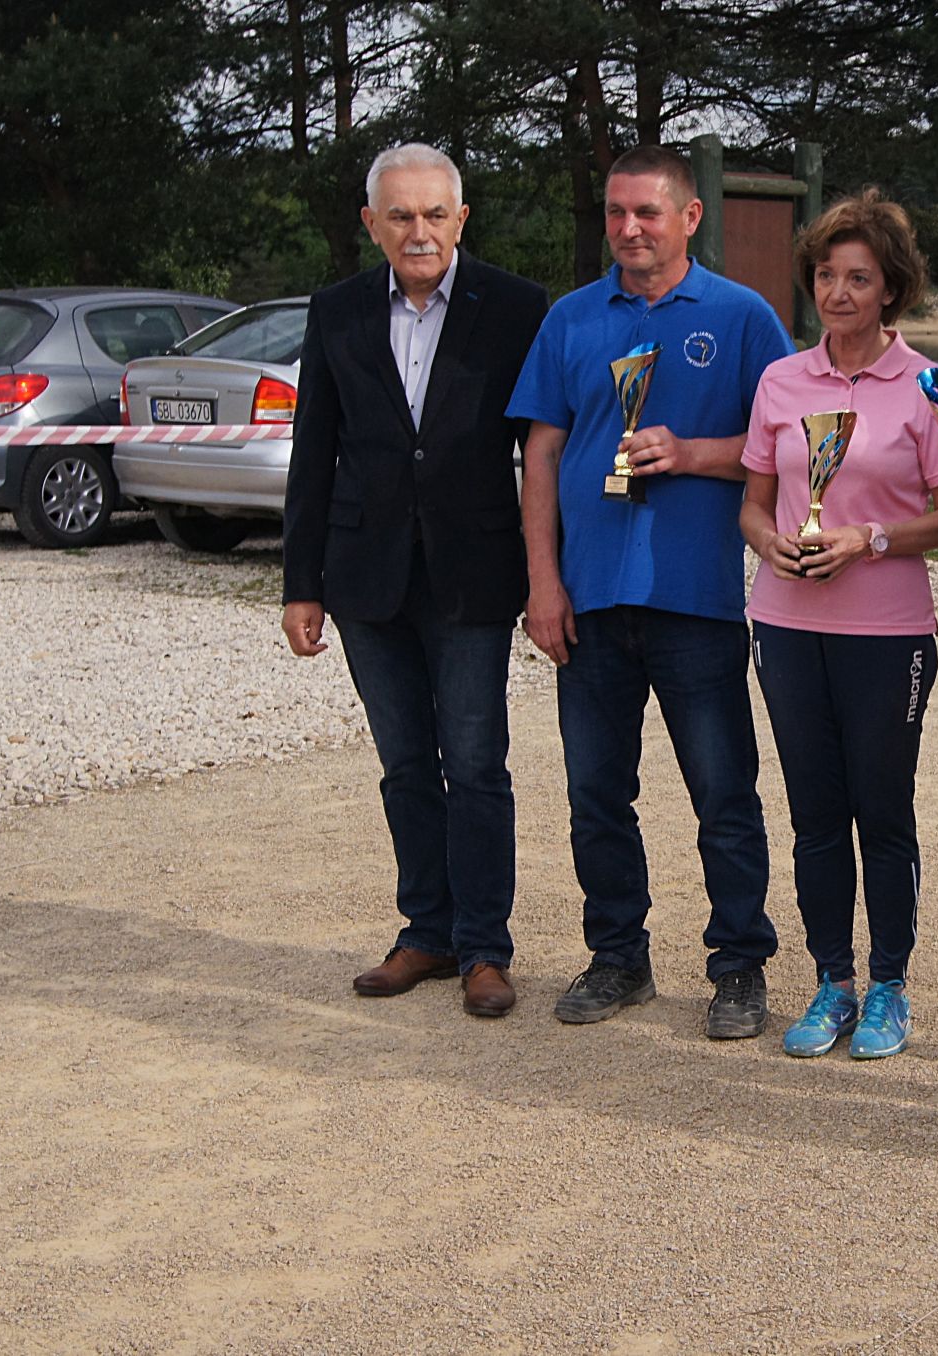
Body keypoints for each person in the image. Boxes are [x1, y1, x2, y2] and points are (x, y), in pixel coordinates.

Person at [508, 145, 792, 1038]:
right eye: (616, 211)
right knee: (596, 792)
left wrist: (692, 453)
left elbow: (787, 444)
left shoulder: (743, 317)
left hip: (695, 595)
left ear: (689, 217)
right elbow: (542, 455)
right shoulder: (571, 318)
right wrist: (542, 580)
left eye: (649, 213)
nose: (629, 229)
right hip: (588, 596)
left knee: (724, 794)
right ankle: (617, 957)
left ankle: (739, 964)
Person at [281, 143, 548, 1017]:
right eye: (401, 215)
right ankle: (425, 932)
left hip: (472, 574)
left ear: (462, 219)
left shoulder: (515, 309)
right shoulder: (338, 311)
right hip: (365, 577)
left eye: (435, 214)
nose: (420, 231)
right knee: (404, 764)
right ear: (373, 224)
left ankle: (484, 946)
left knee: (475, 763)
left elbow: (540, 454)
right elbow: (312, 451)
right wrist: (299, 583)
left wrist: (553, 574)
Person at [738, 190, 938, 1060]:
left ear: (891, 289)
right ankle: (831, 980)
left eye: (859, 278)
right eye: (827, 275)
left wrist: (866, 539)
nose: (838, 292)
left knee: (883, 810)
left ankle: (890, 987)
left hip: (888, 633)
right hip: (786, 622)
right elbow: (755, 508)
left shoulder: (927, 386)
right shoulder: (780, 381)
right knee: (813, 812)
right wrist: (777, 545)